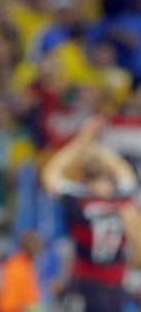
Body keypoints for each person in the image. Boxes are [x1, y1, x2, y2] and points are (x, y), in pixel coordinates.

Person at [42, 115, 138, 312]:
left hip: (83, 281)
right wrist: (98, 147)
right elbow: (123, 170)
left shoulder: (78, 200)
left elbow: (50, 173)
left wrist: (82, 140)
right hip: (113, 284)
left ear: (80, 176)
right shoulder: (123, 197)